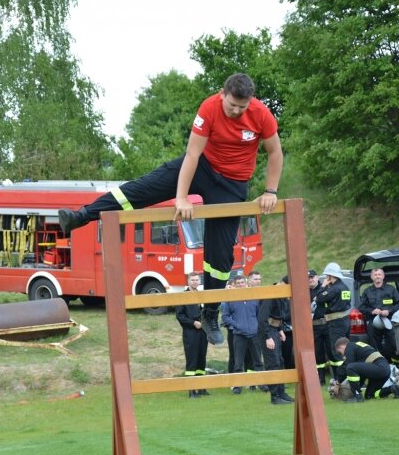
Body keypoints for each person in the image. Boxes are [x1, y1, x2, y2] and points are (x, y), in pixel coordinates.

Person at [57, 73, 283, 346]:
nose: (235, 111)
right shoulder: (209, 108)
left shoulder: (261, 115)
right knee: (143, 189)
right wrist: (181, 198)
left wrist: (270, 191)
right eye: (231, 105)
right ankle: (81, 216)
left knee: (221, 257)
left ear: (250, 102)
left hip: (233, 184)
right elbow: (192, 155)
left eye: (241, 107)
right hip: (202, 166)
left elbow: (274, 152)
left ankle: (210, 313)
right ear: (222, 94)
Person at [258, 275, 295, 404]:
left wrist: (279, 330)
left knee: (279, 361)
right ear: (282, 284)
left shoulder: (280, 295)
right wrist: (268, 337)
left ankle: (281, 392)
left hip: (274, 330)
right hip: (267, 332)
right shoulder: (270, 294)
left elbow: (277, 316)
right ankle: (275, 396)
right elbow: (262, 318)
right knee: (272, 363)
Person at [332, 337, 399, 402]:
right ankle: (394, 389)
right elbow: (361, 373)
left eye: (340, 352)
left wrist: (338, 383)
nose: (342, 355)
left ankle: (358, 397)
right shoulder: (357, 347)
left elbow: (347, 365)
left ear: (341, 346)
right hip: (384, 369)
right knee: (370, 395)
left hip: (379, 368)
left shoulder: (349, 346)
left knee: (350, 367)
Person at [313, 263, 351, 382]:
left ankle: (342, 379)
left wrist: (323, 286)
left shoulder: (334, 289)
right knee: (344, 349)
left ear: (330, 276)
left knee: (337, 351)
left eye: (327, 276)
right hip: (344, 321)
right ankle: (341, 377)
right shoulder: (344, 287)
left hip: (336, 323)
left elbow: (319, 298)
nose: (325, 279)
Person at [359, 268, 399, 367]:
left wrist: (389, 311)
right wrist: (372, 311)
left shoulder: (391, 289)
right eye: (375, 275)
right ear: (371, 277)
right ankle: (381, 366)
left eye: (379, 274)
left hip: (389, 320)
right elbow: (361, 307)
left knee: (393, 343)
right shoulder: (367, 291)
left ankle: (398, 366)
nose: (377, 276)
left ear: (383, 276)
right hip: (374, 321)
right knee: (374, 346)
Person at [221, 288, 262, 394]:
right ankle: (237, 387)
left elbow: (259, 315)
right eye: (238, 283)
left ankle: (263, 384)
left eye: (242, 283)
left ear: (246, 284)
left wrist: (256, 326)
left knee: (258, 361)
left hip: (254, 334)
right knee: (238, 362)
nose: (240, 285)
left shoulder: (254, 298)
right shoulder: (230, 300)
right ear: (234, 285)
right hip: (239, 335)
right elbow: (225, 317)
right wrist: (237, 325)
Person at [175, 272, 208, 398]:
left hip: (203, 331)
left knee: (201, 358)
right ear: (188, 282)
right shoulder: (182, 297)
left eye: (197, 280)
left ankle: (202, 388)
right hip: (191, 332)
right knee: (192, 360)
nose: (195, 282)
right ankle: (191, 390)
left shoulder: (202, 295)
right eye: (193, 280)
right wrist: (193, 323)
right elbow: (180, 316)